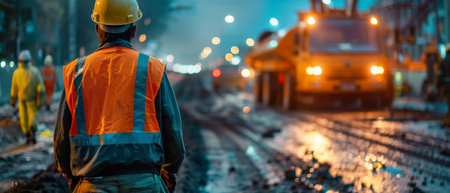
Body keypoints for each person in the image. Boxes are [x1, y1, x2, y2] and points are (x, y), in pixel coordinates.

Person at [53, 0, 185, 192]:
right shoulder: (151, 69)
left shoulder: (76, 72)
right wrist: (169, 171)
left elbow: (61, 139)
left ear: (98, 29)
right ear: (133, 29)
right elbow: (172, 132)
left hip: (92, 182)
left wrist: (72, 178)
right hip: (145, 182)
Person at [10, 50, 46, 144]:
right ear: (29, 60)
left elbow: (14, 89)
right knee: (33, 116)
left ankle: (27, 136)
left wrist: (13, 100)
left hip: (22, 101)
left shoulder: (16, 73)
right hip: (32, 100)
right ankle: (33, 133)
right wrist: (41, 100)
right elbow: (40, 88)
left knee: (23, 118)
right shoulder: (35, 71)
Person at [438, 48, 450, 127]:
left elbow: (439, 74)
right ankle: (447, 122)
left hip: (446, 86)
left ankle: (447, 122)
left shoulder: (443, 61)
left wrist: (438, 86)